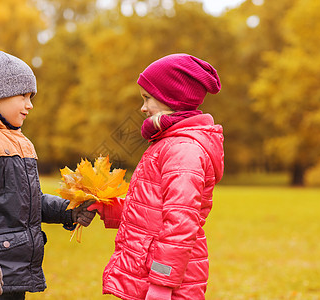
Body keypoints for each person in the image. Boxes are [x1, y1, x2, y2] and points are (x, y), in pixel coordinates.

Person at [0, 50, 95, 300]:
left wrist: (69, 210)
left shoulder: (17, 141)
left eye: (30, 96)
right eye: (23, 95)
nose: (29, 104)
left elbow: (26, 200)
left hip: (11, 267)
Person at [88, 54, 224, 300]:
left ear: (171, 98)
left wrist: (162, 283)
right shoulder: (167, 143)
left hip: (168, 281)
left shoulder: (183, 149)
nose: (142, 107)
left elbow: (180, 222)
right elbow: (152, 210)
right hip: (149, 271)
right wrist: (107, 208)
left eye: (147, 98)